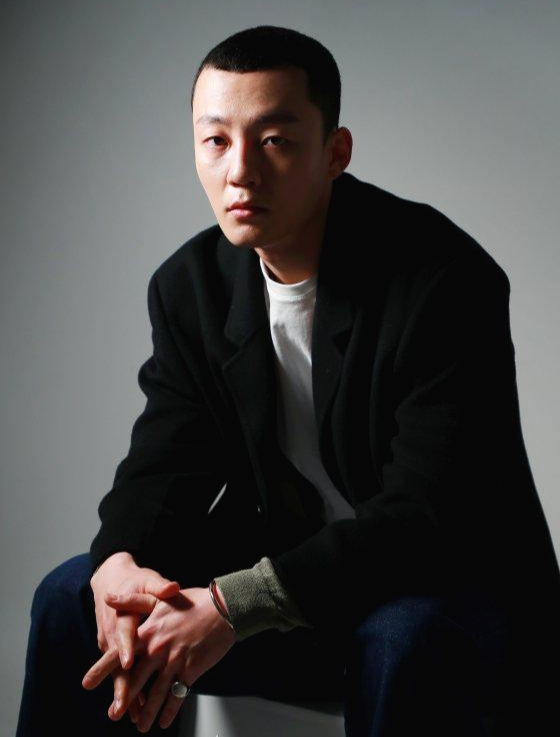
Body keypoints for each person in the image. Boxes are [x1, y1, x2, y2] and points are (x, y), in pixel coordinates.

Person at [16, 25, 560, 737]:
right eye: (216, 141)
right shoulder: (192, 287)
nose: (240, 171)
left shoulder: (443, 281)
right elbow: (164, 467)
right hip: (296, 598)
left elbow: (424, 518)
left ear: (336, 152)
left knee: (401, 638)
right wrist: (117, 565)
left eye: (274, 140)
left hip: (443, 596)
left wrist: (235, 603)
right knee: (73, 596)